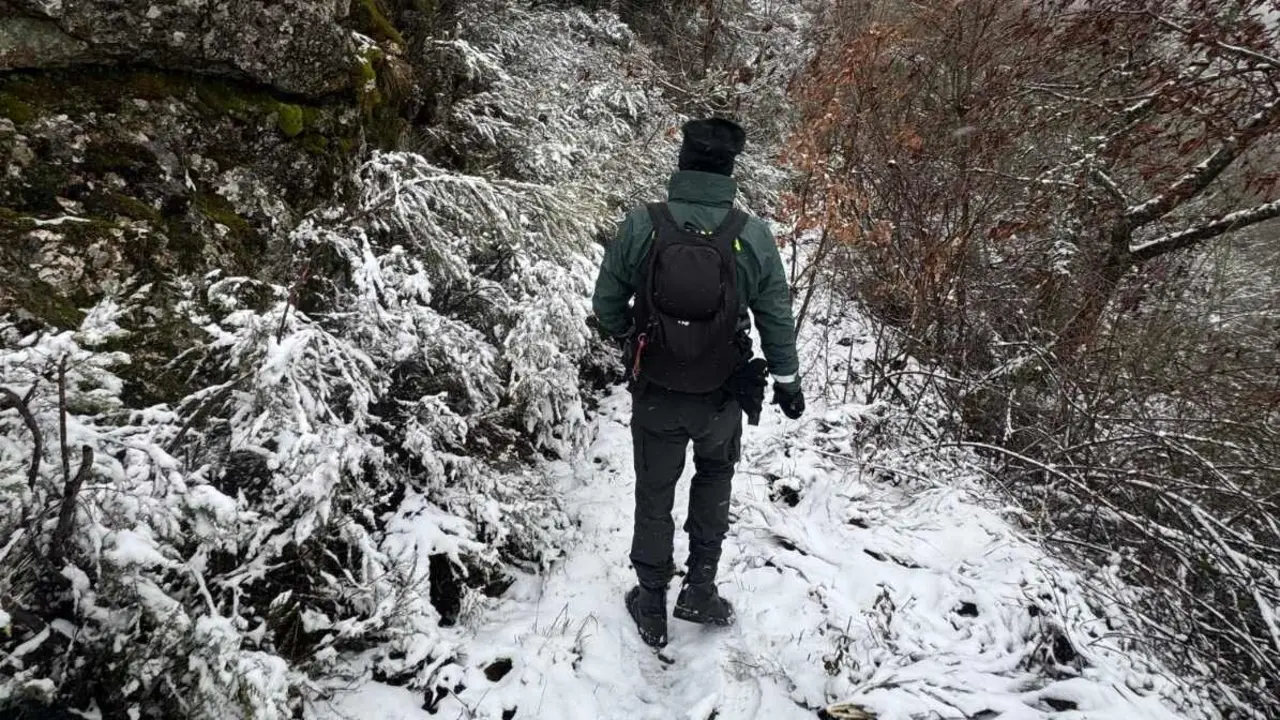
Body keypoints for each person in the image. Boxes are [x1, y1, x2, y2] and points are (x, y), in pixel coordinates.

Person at [590, 118, 805, 648]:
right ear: (730, 170)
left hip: (657, 388)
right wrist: (787, 379)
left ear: (683, 164)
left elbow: (605, 304)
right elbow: (775, 311)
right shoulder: (749, 233)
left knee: (654, 492)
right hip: (721, 394)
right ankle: (700, 590)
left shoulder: (644, 224)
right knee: (714, 480)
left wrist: (632, 340)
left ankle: (651, 601)